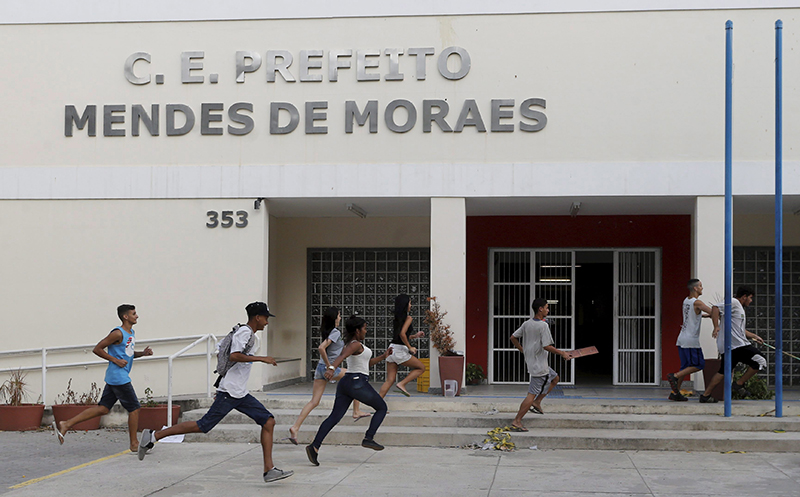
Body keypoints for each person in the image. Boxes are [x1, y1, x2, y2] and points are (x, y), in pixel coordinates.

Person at [137, 302, 293, 483]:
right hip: (229, 392)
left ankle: (269, 470)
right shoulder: (244, 332)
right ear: (257, 317)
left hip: (239, 392)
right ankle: (154, 435)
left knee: (268, 421)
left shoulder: (246, 333)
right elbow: (234, 355)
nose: (267, 322)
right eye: (265, 318)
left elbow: (221, 352)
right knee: (203, 426)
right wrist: (261, 359)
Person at [53, 304, 153, 452]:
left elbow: (128, 354)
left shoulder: (131, 332)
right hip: (119, 378)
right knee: (135, 409)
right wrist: (115, 360)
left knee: (103, 409)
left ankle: (66, 424)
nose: (137, 316)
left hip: (115, 377)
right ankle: (134, 444)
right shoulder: (117, 333)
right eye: (134, 313)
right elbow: (97, 349)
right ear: (125, 316)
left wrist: (142, 353)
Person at [306, 315, 392, 466]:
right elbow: (342, 356)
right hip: (357, 382)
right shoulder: (355, 344)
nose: (366, 331)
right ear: (357, 330)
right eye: (364, 328)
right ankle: (369, 438)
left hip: (346, 383)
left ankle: (314, 447)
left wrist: (383, 356)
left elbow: (366, 364)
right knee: (382, 408)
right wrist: (331, 368)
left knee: (334, 417)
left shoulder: (355, 345)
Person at [288, 307, 369, 445]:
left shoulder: (330, 332)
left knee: (314, 401)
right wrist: (329, 366)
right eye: (339, 315)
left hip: (319, 369)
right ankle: (356, 411)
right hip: (327, 368)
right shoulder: (335, 332)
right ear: (334, 318)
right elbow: (321, 347)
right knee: (355, 376)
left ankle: (295, 427)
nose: (340, 318)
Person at [509, 298, 571, 430]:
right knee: (531, 394)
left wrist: (522, 349)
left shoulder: (527, 324)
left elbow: (513, 337)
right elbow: (547, 346)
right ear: (540, 309)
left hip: (535, 362)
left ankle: (537, 402)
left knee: (555, 378)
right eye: (547, 308)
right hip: (539, 366)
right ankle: (517, 420)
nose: (548, 310)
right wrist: (562, 353)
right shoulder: (543, 326)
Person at [699, 287, 766, 403]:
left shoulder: (737, 308)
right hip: (735, 345)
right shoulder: (734, 302)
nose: (751, 301)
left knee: (723, 372)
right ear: (744, 297)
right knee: (760, 361)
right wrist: (716, 327)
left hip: (733, 346)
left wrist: (754, 336)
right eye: (750, 298)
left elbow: (739, 330)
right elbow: (715, 308)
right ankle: (739, 384)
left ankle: (705, 395)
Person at [667, 279, 715, 401]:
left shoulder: (686, 300)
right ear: (695, 288)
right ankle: (674, 376)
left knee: (685, 367)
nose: (702, 288)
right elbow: (713, 311)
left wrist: (704, 316)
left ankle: (675, 393)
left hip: (682, 338)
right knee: (699, 364)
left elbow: (692, 315)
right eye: (700, 286)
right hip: (691, 340)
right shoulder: (697, 302)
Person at [378, 294, 426, 397]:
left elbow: (401, 336)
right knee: (421, 368)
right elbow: (402, 334)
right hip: (399, 350)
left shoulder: (397, 319)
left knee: (389, 380)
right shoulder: (408, 318)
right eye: (410, 303)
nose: (411, 305)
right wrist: (410, 347)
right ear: (405, 305)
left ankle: (378, 403)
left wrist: (415, 336)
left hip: (391, 349)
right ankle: (402, 383)